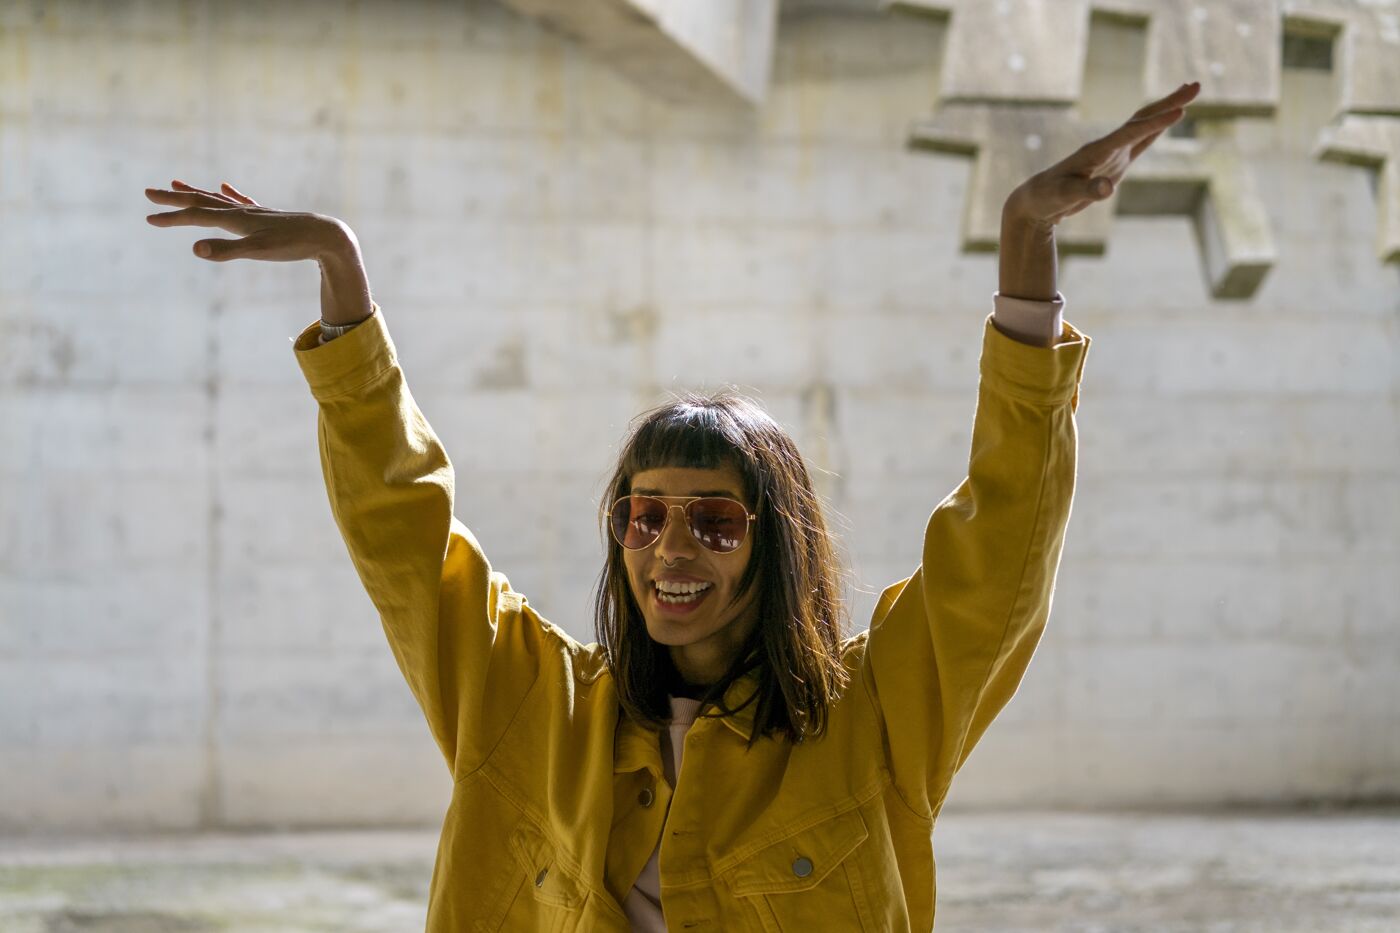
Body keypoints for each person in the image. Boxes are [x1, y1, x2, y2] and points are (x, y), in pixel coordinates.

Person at [145, 81, 1199, 932]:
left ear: (774, 545)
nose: (670, 549)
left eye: (715, 520)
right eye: (642, 517)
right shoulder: (525, 703)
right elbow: (400, 529)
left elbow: (1000, 543)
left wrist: (1024, 245)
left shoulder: (873, 720)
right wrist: (343, 278)